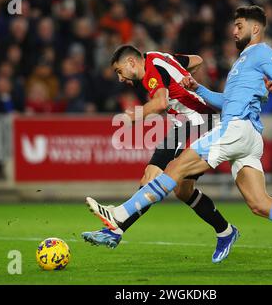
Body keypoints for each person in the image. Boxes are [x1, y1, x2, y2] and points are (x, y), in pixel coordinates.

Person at [86, 6, 272, 269]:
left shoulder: (262, 52)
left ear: (255, 28)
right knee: (258, 203)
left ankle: (119, 215)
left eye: (239, 25)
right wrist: (198, 87)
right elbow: (222, 98)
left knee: (174, 170)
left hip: (230, 128)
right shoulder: (238, 65)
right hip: (244, 134)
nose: (234, 30)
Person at [82, 45, 236, 263]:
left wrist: (133, 115)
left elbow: (160, 102)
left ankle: (117, 226)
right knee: (168, 184)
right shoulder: (160, 58)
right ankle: (116, 231)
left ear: (131, 63)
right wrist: (182, 80)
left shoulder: (151, 71)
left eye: (119, 71)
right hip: (183, 124)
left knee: (166, 183)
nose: (120, 78)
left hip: (200, 122)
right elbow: (197, 59)